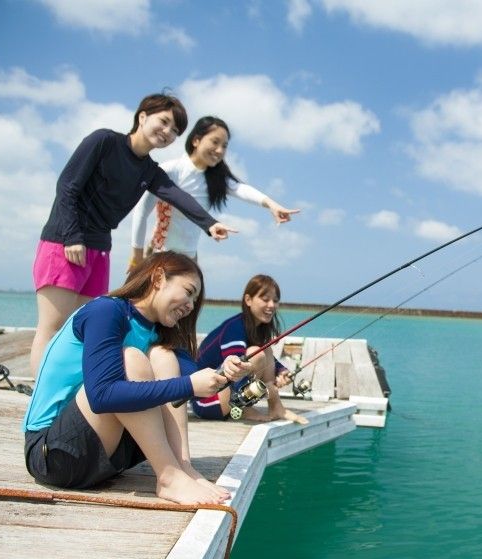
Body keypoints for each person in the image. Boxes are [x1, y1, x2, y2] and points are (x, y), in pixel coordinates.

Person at [30, 94, 238, 375]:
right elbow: (67, 186)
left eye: (175, 130)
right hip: (65, 241)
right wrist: (72, 236)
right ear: (142, 116)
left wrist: (209, 224)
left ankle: (66, 398)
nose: (167, 132)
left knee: (81, 329)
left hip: (100, 248)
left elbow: (176, 195)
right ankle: (39, 399)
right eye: (163, 122)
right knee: (52, 327)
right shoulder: (104, 141)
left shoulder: (149, 170)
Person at [22, 251, 251, 505]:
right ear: (158, 278)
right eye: (188, 291)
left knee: (164, 356)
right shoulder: (106, 311)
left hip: (105, 455)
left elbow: (192, 377)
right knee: (131, 358)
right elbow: (101, 397)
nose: (190, 305)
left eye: (195, 300)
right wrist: (189, 384)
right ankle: (168, 476)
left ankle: (182, 466)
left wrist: (225, 372)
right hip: (53, 455)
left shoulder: (157, 333)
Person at [129, 115, 299, 266]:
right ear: (196, 140)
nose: (220, 150)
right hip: (160, 256)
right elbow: (141, 212)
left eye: (224, 146)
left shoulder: (215, 179)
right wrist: (136, 258)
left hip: (190, 259)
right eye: (215, 142)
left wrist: (271, 204)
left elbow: (241, 189)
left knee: (190, 302)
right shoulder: (169, 171)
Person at [188, 274, 308, 425]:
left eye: (275, 301)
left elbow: (266, 359)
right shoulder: (234, 328)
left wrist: (281, 372)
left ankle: (275, 406)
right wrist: (261, 376)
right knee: (255, 354)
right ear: (248, 300)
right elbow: (236, 367)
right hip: (205, 401)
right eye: (265, 299)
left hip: (224, 394)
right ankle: (244, 409)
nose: (271, 305)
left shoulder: (256, 329)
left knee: (265, 351)